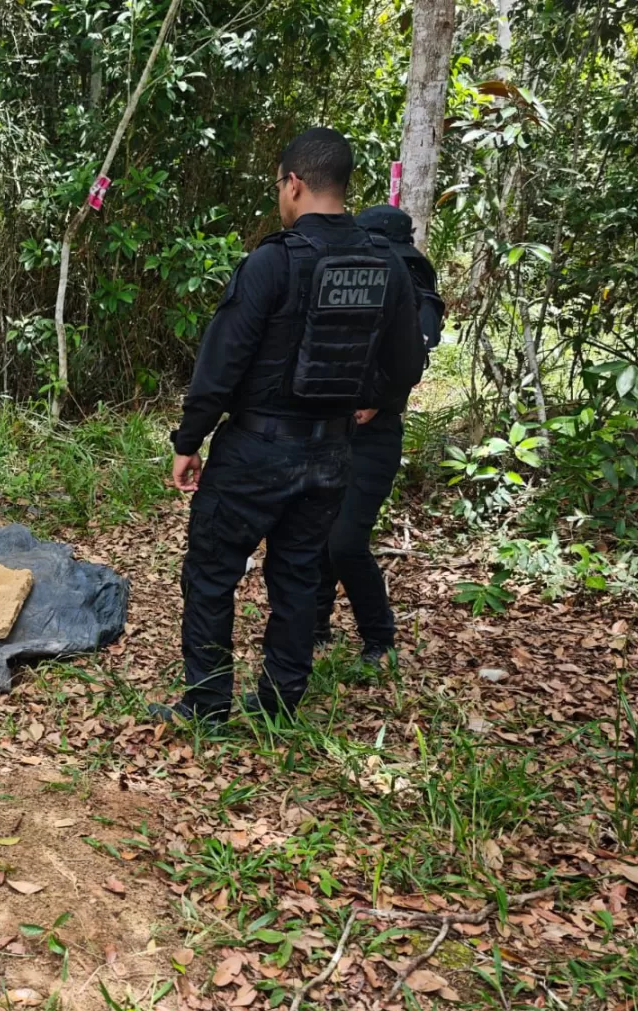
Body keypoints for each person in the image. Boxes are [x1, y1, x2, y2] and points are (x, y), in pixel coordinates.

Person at [153, 128, 426, 730]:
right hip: (332, 453)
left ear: (294, 183)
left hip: (256, 450)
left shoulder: (273, 261)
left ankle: (206, 705)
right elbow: (407, 364)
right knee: (299, 575)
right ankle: (279, 704)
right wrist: (367, 400)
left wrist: (188, 441)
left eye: (280, 185)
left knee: (212, 572)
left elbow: (221, 365)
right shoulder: (387, 264)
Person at [315, 204, 445, 663]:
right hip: (331, 428)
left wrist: (379, 397)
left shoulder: (414, 291)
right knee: (320, 532)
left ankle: (379, 638)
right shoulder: (351, 278)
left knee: (345, 541)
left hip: (375, 436)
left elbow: (411, 361)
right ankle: (315, 626)